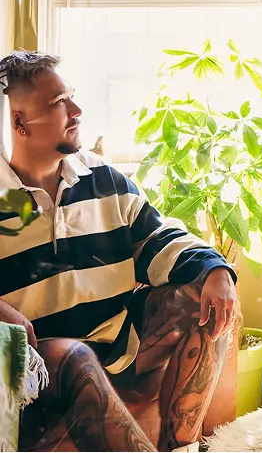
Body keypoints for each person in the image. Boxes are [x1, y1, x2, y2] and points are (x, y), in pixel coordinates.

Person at [0, 51, 240, 452]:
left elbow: (158, 237)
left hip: (117, 348)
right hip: (43, 366)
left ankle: (181, 447)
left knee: (203, 295)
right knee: (74, 355)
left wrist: (214, 269)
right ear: (18, 122)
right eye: (59, 103)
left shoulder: (102, 179)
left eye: (72, 96)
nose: (77, 111)